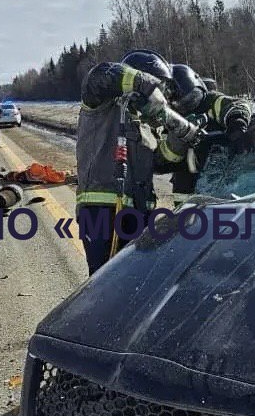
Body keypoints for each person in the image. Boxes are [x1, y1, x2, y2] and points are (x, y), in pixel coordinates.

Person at [76, 50, 204, 276]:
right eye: (162, 87)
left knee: (134, 284)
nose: (164, 95)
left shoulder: (147, 125)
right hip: (101, 212)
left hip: (139, 214)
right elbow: (101, 75)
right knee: (104, 284)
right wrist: (147, 86)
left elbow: (161, 161)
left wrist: (181, 137)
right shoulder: (102, 106)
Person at [165, 64, 252, 208]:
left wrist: (237, 123)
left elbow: (236, 105)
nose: (188, 104)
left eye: (191, 97)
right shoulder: (172, 117)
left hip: (223, 190)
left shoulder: (211, 101)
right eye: (182, 103)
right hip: (186, 187)